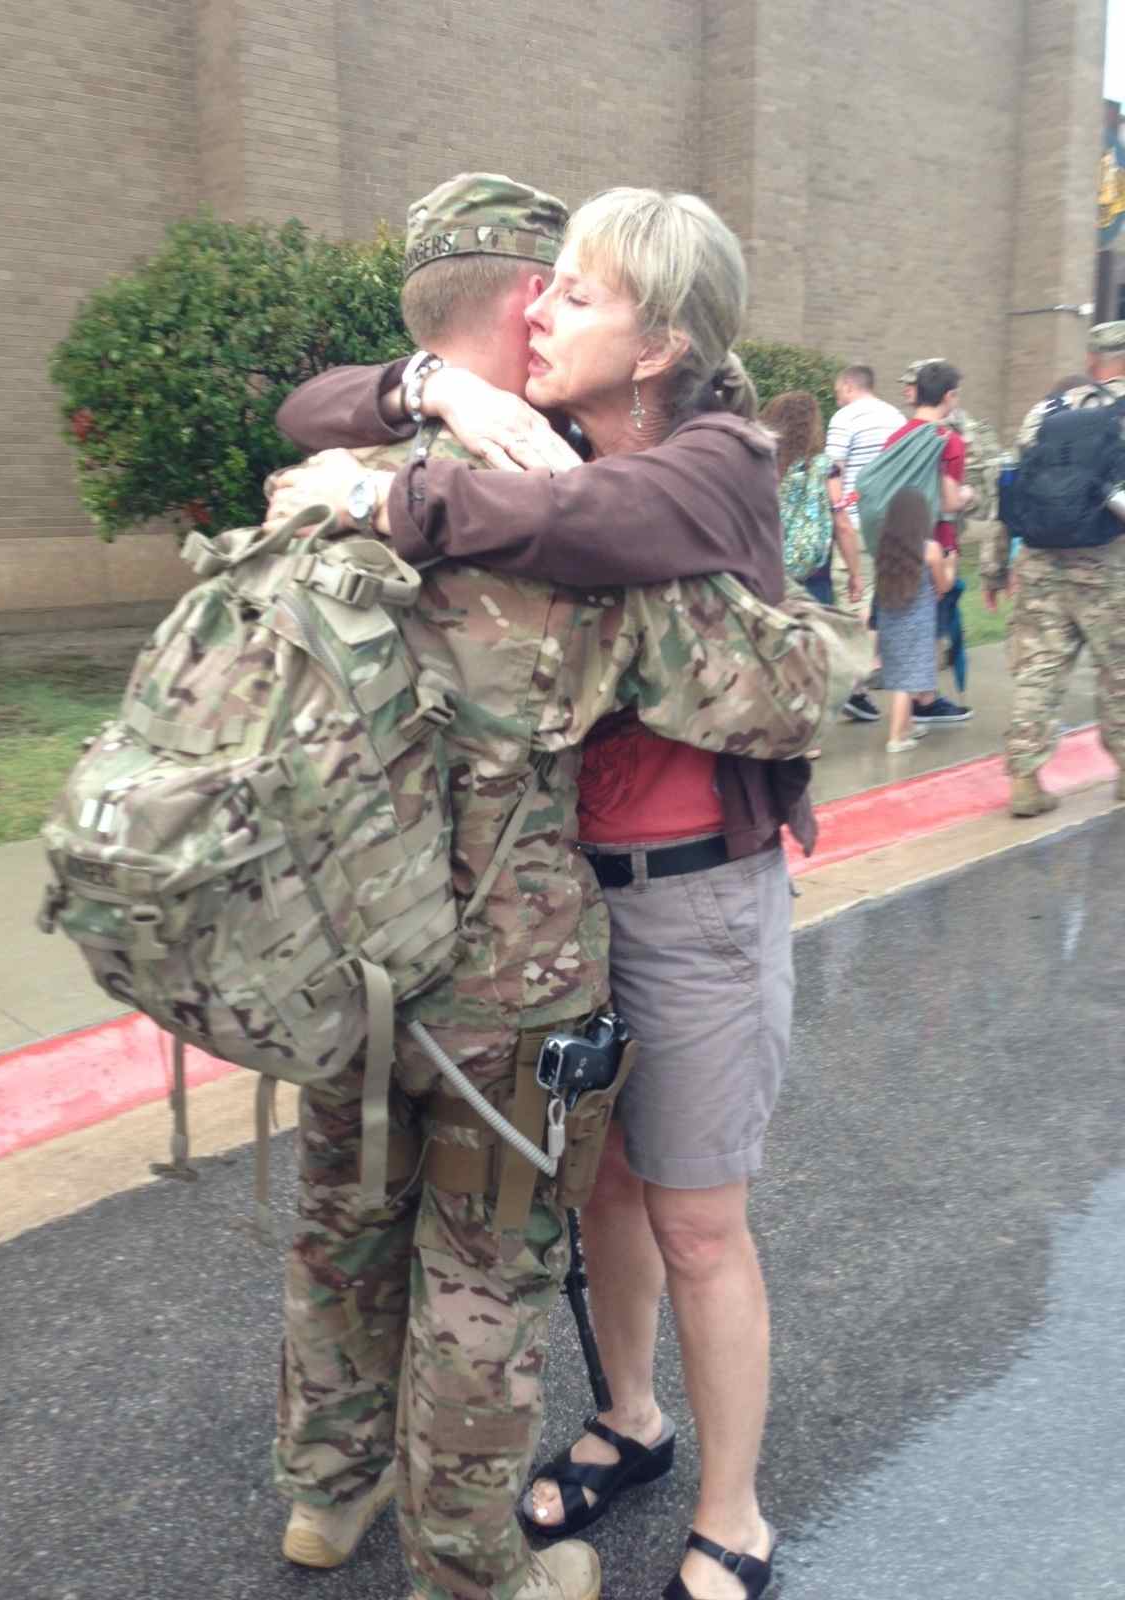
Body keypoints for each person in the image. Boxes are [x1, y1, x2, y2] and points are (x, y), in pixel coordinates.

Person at [270, 177, 869, 1600]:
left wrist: (385, 486)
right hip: (566, 904)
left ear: (657, 343)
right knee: (598, 1196)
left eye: (582, 294)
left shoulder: (711, 457)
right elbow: (310, 408)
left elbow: (582, 526)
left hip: (696, 899)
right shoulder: (554, 430)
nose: (544, 309)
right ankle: (630, 1419)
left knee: (697, 1218)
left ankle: (735, 1509)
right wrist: (425, 390)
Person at [982, 320, 1125, 817]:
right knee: (1120, 673)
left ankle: (1025, 779)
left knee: (1038, 670)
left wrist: (994, 568)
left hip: (1042, 563)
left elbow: (1008, 491)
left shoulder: (1045, 413)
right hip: (1111, 568)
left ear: (1091, 361)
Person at [880, 360, 975, 725]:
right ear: (949, 396)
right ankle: (924, 699)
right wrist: (967, 494)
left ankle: (919, 696)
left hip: (899, 542)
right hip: (938, 542)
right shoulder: (947, 440)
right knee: (932, 621)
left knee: (905, 620)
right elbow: (949, 501)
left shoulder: (896, 437)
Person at [825, 363, 904, 721]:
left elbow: (833, 472)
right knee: (871, 605)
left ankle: (849, 688)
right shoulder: (896, 418)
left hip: (854, 525)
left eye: (838, 390)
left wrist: (837, 512)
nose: (836, 396)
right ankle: (858, 687)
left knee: (851, 603)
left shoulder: (845, 418)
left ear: (848, 386)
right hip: (887, 524)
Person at [874, 486, 960, 751]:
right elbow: (943, 586)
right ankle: (896, 738)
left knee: (901, 675)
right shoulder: (931, 549)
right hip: (918, 622)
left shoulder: (885, 548)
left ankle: (907, 726)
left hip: (891, 620)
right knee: (907, 682)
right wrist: (951, 565)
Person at [759, 390, 862, 603]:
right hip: (814, 577)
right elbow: (841, 523)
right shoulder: (823, 467)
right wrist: (855, 573)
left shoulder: (759, 464)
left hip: (765, 573)